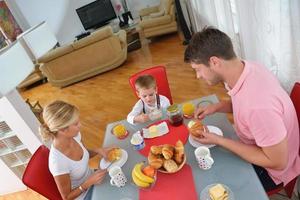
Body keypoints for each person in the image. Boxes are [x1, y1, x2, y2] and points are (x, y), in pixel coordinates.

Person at [184, 27, 300, 192]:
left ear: (214, 62)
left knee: (208, 180)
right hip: (261, 145)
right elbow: (241, 105)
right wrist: (216, 107)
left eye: (197, 69)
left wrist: (219, 140)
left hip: (272, 171)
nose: (198, 76)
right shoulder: (246, 68)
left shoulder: (258, 106)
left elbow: (278, 161)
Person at [40, 100, 116, 200]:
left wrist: (98, 151)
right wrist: (88, 183)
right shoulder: (57, 162)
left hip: (93, 178)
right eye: (76, 124)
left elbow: (84, 155)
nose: (80, 125)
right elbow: (66, 197)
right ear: (62, 130)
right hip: (84, 195)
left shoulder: (75, 136)